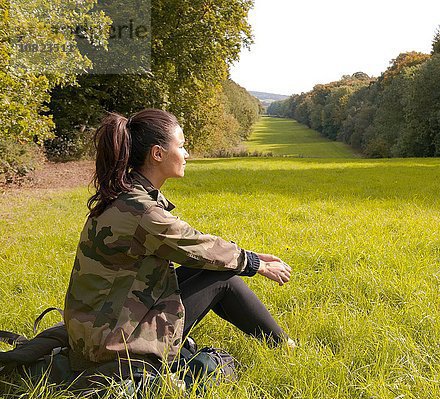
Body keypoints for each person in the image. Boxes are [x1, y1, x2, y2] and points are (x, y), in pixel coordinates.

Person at [63, 108, 293, 372]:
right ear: (158, 154)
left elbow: (198, 251)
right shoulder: (142, 212)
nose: (186, 154)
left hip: (93, 333)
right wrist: (255, 264)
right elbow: (196, 245)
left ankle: (282, 345)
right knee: (225, 279)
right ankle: (286, 348)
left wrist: (247, 257)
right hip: (115, 346)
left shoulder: (123, 194)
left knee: (213, 268)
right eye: (181, 146)